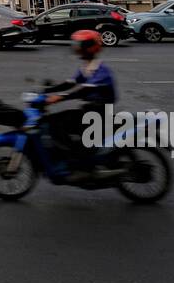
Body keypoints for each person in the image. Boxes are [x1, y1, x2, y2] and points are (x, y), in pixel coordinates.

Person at [43, 29, 118, 181]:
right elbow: (71, 82)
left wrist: (58, 97)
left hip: (100, 112)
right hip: (91, 109)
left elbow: (83, 89)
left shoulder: (101, 69)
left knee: (60, 123)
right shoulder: (87, 66)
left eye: (80, 45)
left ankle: (84, 165)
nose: (77, 49)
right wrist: (47, 90)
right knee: (56, 121)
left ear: (90, 47)